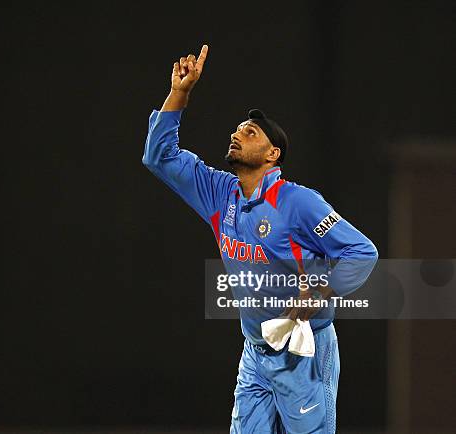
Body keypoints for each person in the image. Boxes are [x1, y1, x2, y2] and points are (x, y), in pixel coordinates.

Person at [142, 44, 379, 434]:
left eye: (249, 133)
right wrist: (179, 93)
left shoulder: (298, 202)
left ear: (273, 153)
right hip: (254, 353)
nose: (236, 135)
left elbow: (362, 252)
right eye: (236, 130)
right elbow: (159, 157)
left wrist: (321, 292)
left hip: (303, 354)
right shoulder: (220, 193)